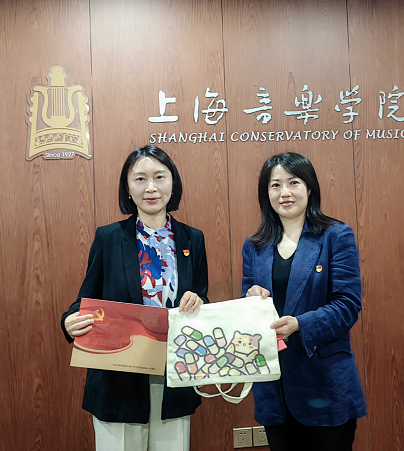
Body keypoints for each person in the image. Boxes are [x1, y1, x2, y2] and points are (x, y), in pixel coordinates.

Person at [61, 145, 208, 451]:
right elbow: (85, 300)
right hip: (119, 380)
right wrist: (69, 321)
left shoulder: (192, 239)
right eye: (140, 179)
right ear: (128, 188)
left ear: (173, 183)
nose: (151, 187)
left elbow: (201, 297)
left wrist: (198, 302)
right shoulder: (109, 237)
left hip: (174, 376)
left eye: (159, 177)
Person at [241, 152, 366, 451]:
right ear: (266, 193)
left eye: (293, 182)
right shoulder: (254, 246)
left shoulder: (336, 236)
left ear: (310, 188)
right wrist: (250, 299)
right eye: (275, 185)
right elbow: (248, 307)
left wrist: (300, 324)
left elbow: (347, 305)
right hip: (275, 389)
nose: (284, 192)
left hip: (324, 382)